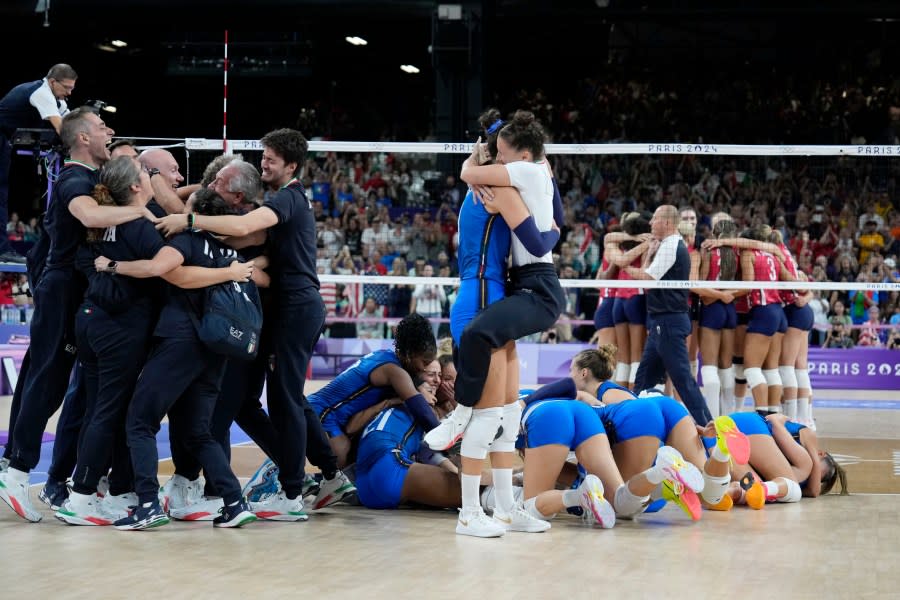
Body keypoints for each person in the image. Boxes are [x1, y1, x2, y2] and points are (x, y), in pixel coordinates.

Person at [155, 128, 381, 520]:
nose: (264, 163)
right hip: (283, 310)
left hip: (295, 307)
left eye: (271, 159)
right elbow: (243, 240)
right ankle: (314, 476)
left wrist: (187, 218)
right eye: (263, 157)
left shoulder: (288, 199)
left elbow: (244, 230)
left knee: (285, 399)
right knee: (264, 400)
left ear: (291, 165)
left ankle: (294, 491)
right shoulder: (279, 200)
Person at [57, 160, 254, 526]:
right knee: (198, 430)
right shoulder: (228, 251)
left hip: (178, 340)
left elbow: (163, 271)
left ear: (191, 214)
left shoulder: (178, 239)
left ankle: (143, 503)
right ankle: (234, 501)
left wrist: (111, 266)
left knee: (138, 419)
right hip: (215, 348)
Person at [0, 108, 151, 523]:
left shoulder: (89, 178)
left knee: (43, 376)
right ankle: (16, 473)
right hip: (62, 288)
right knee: (48, 378)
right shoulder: (73, 178)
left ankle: (18, 466)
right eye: (103, 127)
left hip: (69, 289)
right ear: (83, 138)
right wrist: (141, 212)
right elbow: (89, 216)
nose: (111, 132)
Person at [425, 109, 564, 537]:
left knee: (506, 413)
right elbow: (541, 227)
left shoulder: (492, 183)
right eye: (501, 157)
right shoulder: (491, 188)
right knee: (487, 419)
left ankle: (506, 507)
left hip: (499, 293)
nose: (508, 165)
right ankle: (469, 512)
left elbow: (543, 189)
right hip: (481, 297)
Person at [306, 313, 438, 470]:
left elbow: (414, 382)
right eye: (424, 362)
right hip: (322, 411)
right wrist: (449, 440)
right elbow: (422, 412)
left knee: (350, 457)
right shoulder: (394, 371)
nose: (424, 368)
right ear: (409, 354)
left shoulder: (385, 356)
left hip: (327, 412)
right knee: (339, 461)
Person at [623, 204, 711, 425]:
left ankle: (708, 425)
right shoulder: (668, 245)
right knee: (644, 378)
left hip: (669, 320)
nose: (650, 223)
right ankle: (633, 424)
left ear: (667, 223)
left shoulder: (671, 245)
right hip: (662, 320)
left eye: (654, 219)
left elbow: (648, 279)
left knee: (682, 379)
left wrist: (625, 267)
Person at [0, 64, 78, 263]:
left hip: (5, 141)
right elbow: (61, 127)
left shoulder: (55, 99)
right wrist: (82, 147)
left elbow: (70, 120)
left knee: (2, 193)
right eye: (67, 88)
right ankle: (2, 250)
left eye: (72, 88)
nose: (69, 93)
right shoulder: (41, 93)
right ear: (53, 82)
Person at [721, 412, 847, 508]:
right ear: (821, 453)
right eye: (817, 471)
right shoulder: (808, 439)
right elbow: (814, 491)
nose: (813, 475)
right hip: (749, 426)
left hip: (727, 438)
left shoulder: (797, 475)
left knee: (752, 489)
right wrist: (777, 422)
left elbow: (811, 491)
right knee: (796, 482)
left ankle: (727, 492)